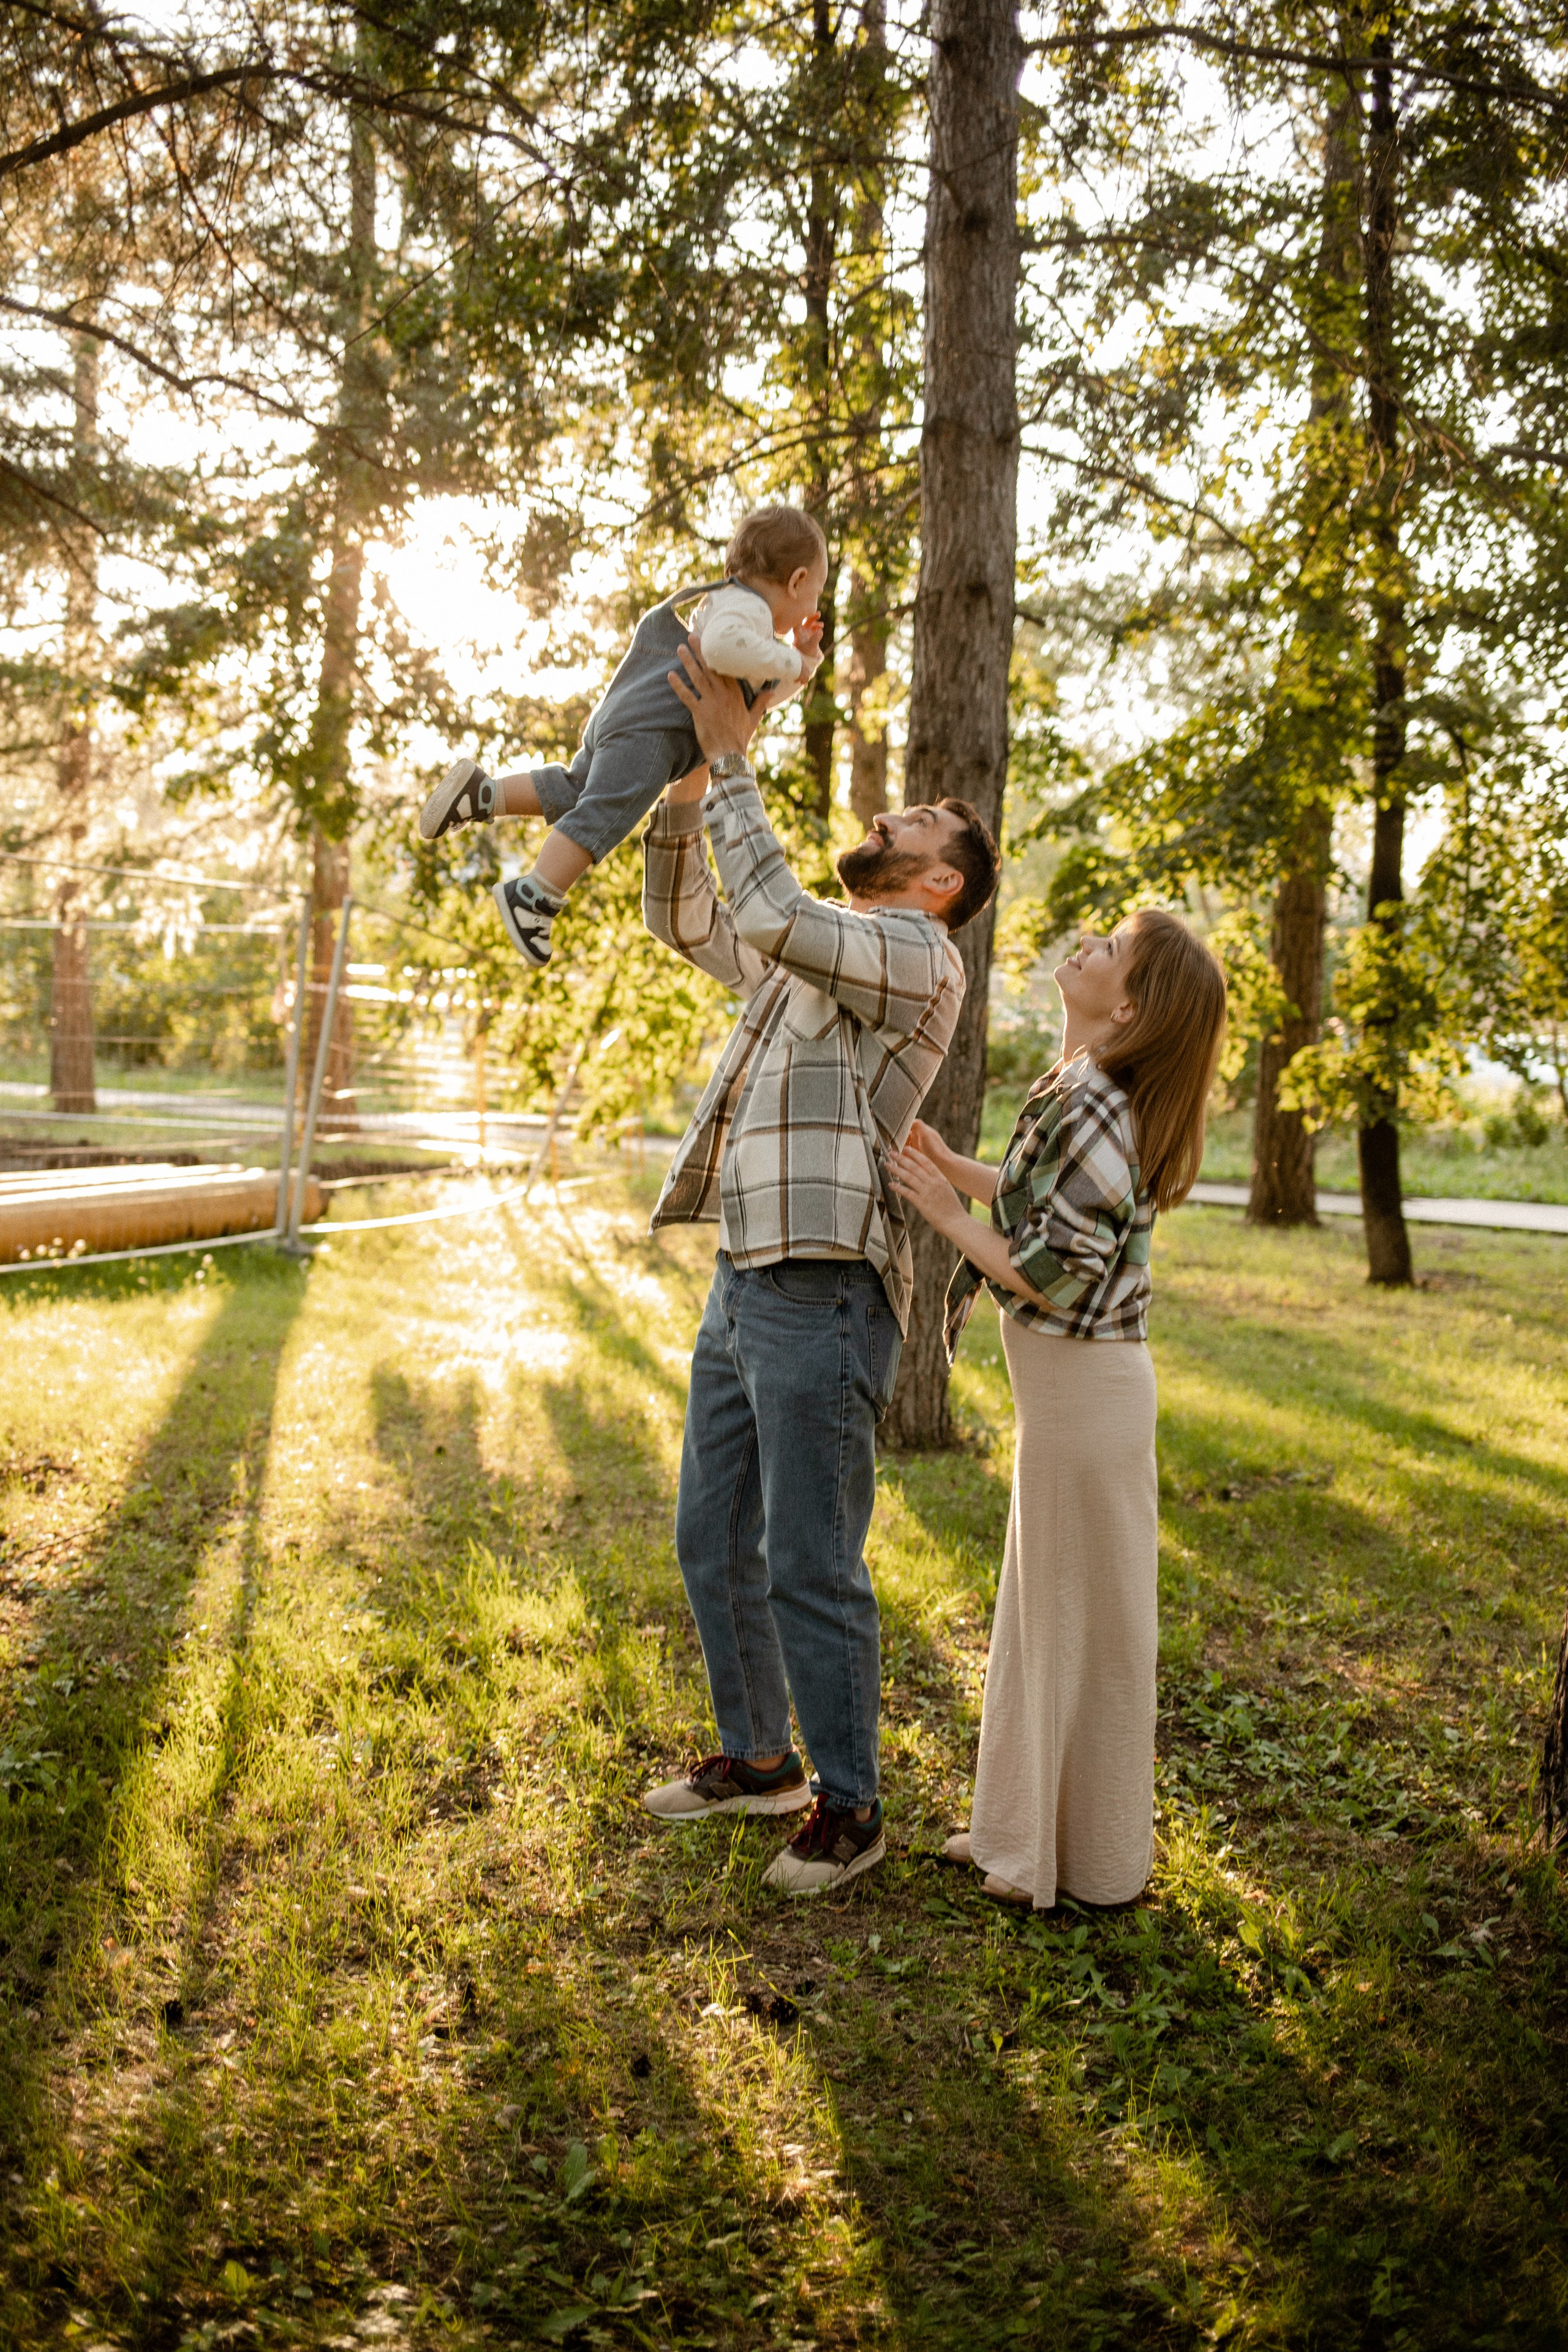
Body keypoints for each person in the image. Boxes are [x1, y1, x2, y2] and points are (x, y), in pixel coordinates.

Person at [637, 640, 1000, 1894]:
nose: (884, 815)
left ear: (937, 879)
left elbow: (776, 911)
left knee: (809, 1558)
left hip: (827, 1296)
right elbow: (696, 919)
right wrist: (686, 793)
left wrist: (738, 764)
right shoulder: (820, 951)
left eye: (909, 820)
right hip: (745, 1280)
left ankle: (849, 1806)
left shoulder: (916, 957)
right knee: (707, 1539)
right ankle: (758, 1762)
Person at [884, 910, 1226, 1910]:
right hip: (1076, 1404)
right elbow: (1045, 1209)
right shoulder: (1088, 1091)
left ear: (1127, 1005)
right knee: (1042, 1619)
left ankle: (1080, 1865)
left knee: (1078, 1629)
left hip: (1086, 1403)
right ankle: (1018, 1834)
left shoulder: (1098, 1105)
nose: (1086, 943)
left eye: (1109, 948)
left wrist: (947, 1218)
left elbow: (1055, 1276)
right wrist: (959, 1170)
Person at [417, 506, 827, 969]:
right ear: (796, 582)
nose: (811, 609)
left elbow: (758, 696)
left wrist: (803, 663)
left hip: (631, 709)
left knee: (577, 788)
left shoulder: (726, 606)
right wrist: (791, 660)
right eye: (815, 594)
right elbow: (720, 651)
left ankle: (482, 794)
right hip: (655, 731)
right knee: (608, 809)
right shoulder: (747, 612)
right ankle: (535, 894)